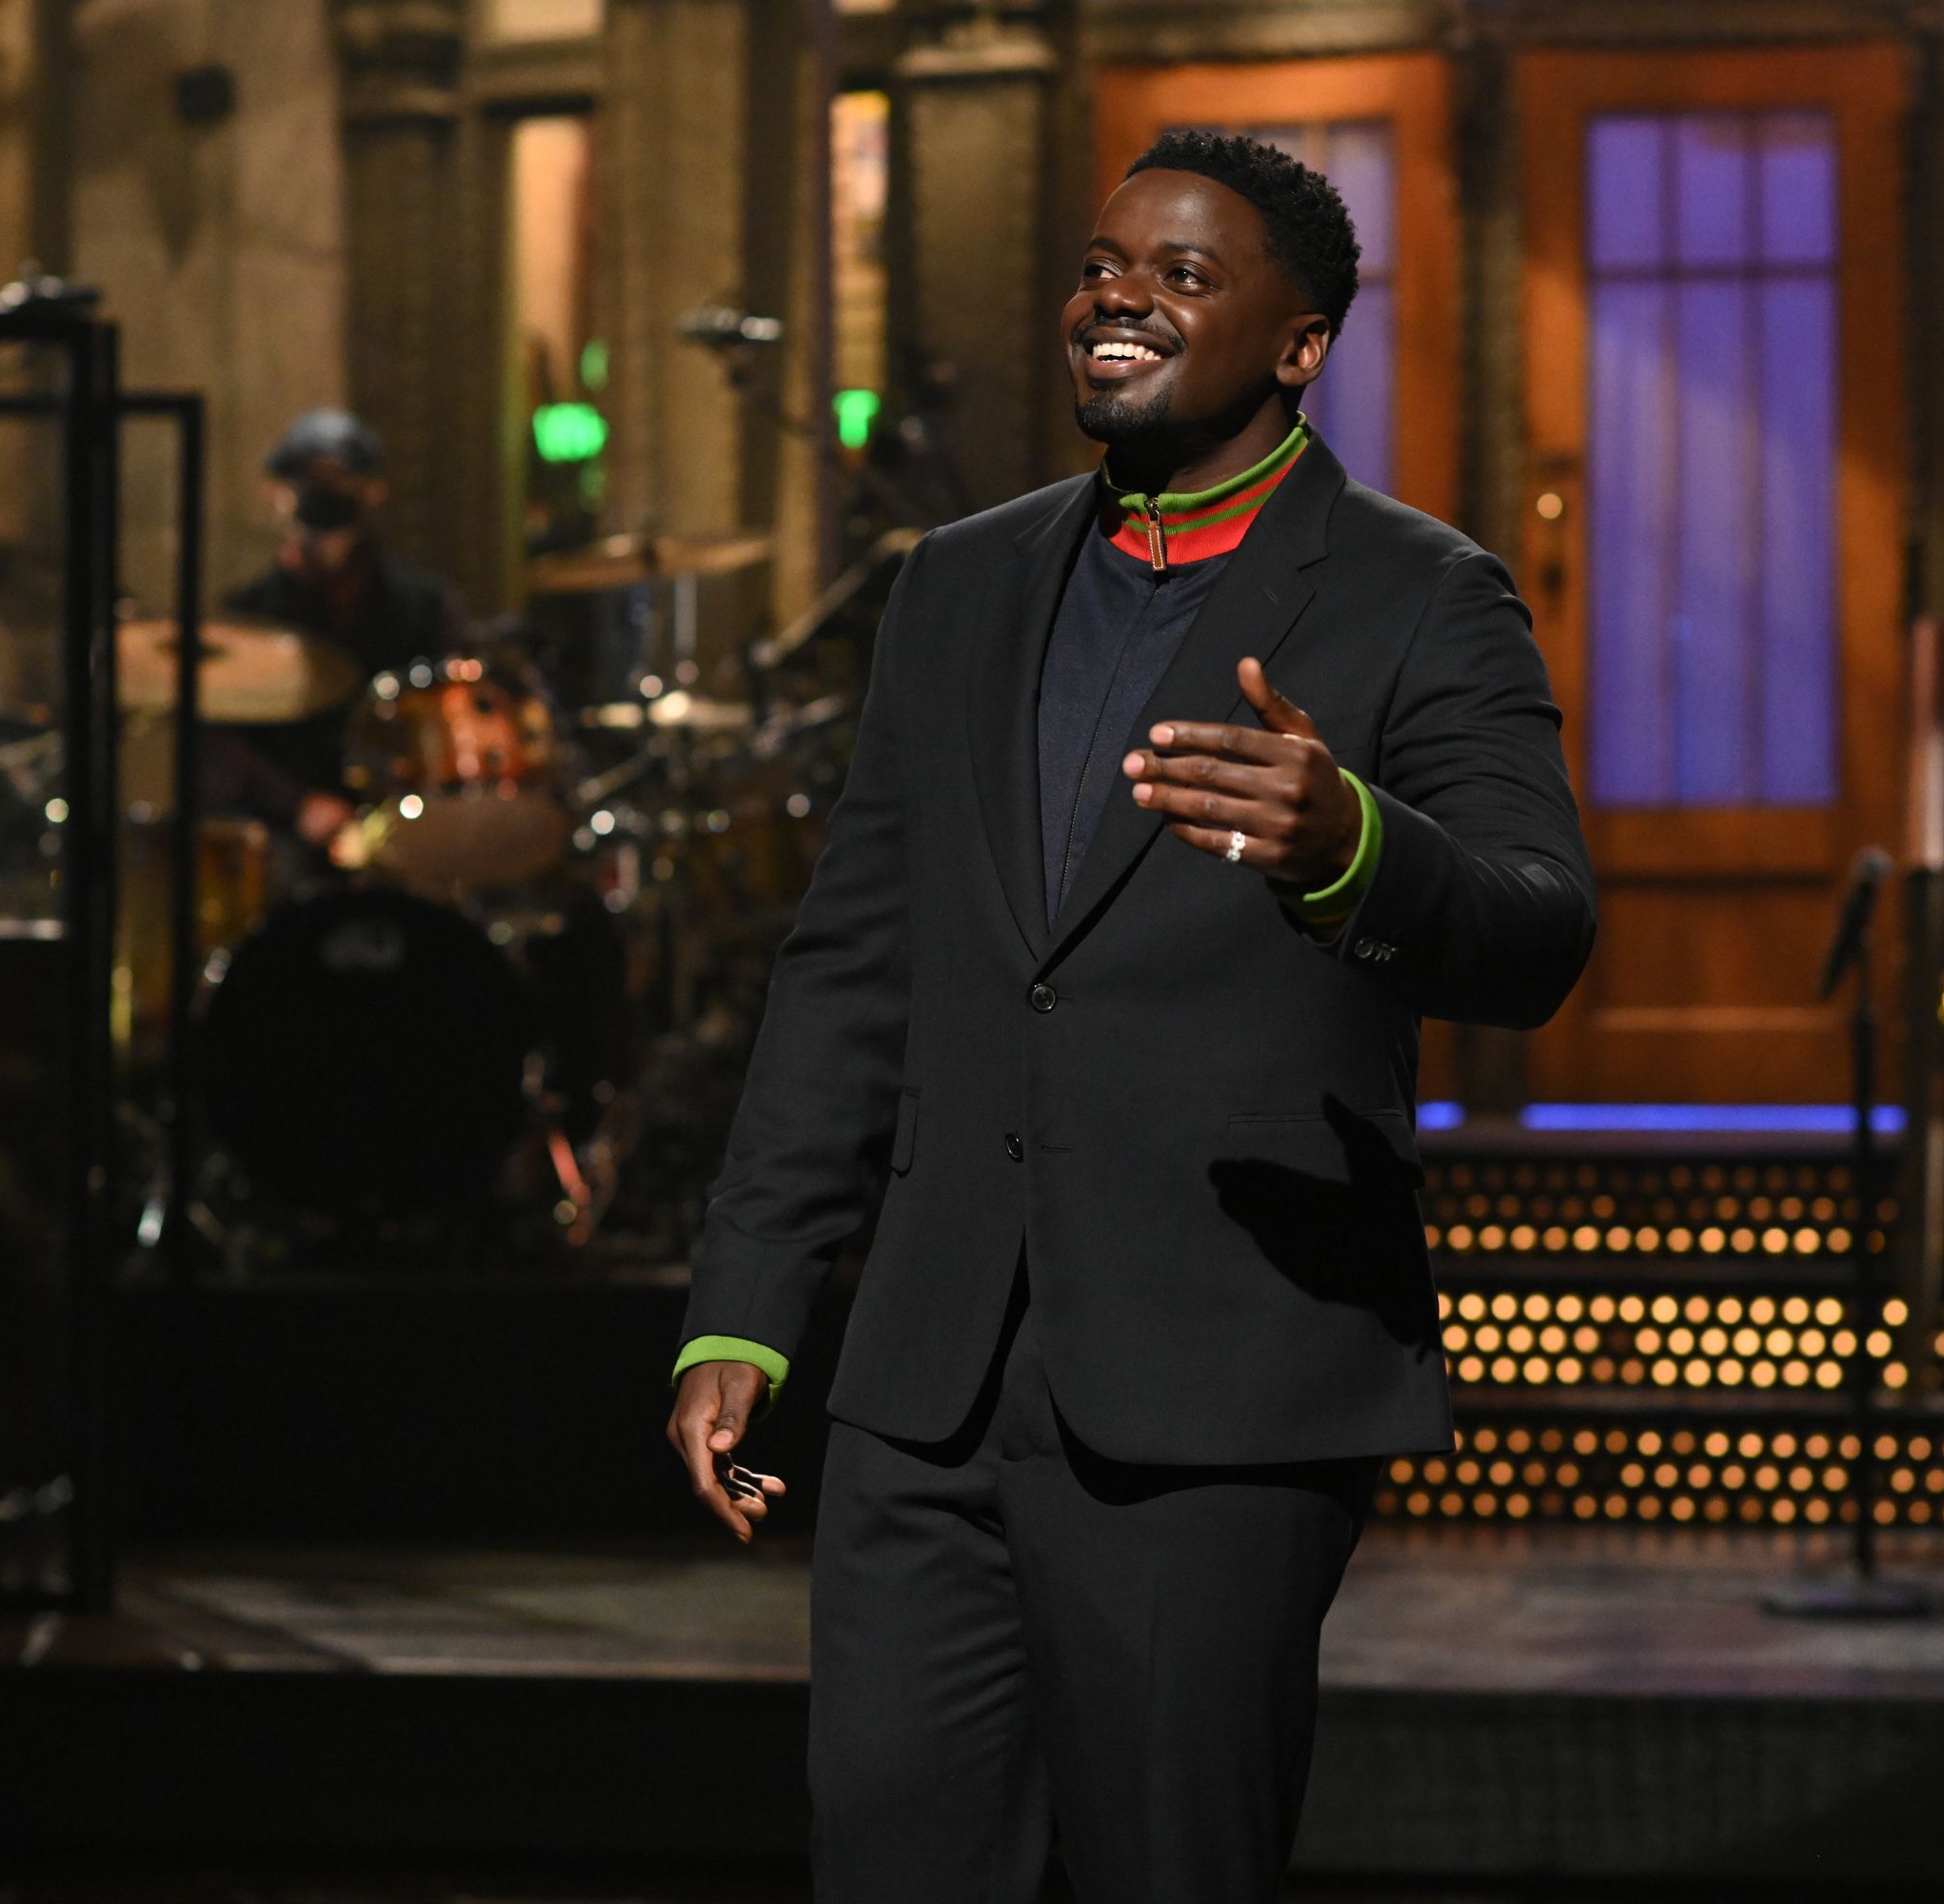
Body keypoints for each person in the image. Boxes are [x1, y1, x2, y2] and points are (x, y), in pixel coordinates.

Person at [662, 130, 1594, 1898]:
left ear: (1301, 343)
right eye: (1105, 264)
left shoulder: (1421, 593)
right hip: (927, 1395)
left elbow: (1539, 937)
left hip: (1218, 1392)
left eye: (1182, 273)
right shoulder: (959, 581)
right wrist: (748, 1310)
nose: (1118, 297)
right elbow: (853, 968)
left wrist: (1354, 847)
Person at [211, 408, 464, 851]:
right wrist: (299, 806)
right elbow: (218, 747)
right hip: (279, 840)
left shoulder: (423, 607)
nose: (325, 498)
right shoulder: (242, 618)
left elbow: (447, 720)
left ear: (374, 493)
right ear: (274, 493)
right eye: (312, 483)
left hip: (402, 833)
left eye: (341, 483)